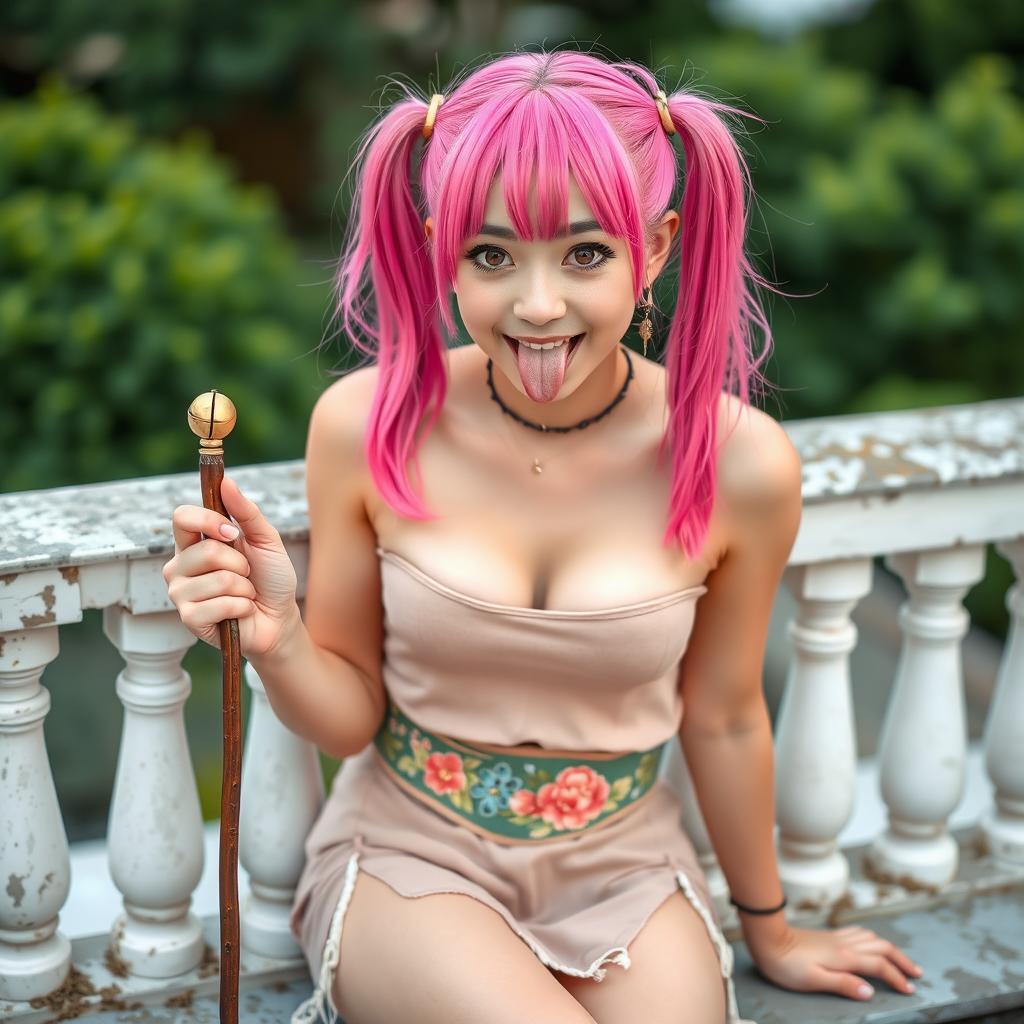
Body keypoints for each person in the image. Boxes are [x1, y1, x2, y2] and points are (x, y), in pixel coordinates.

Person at [163, 47, 924, 1024]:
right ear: (442, 249)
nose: (535, 305)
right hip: (413, 850)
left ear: (654, 248)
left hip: (626, 861)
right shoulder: (367, 423)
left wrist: (768, 925)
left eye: (584, 253)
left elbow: (726, 714)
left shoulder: (740, 462)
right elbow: (348, 716)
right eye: (490, 256)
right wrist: (279, 636)